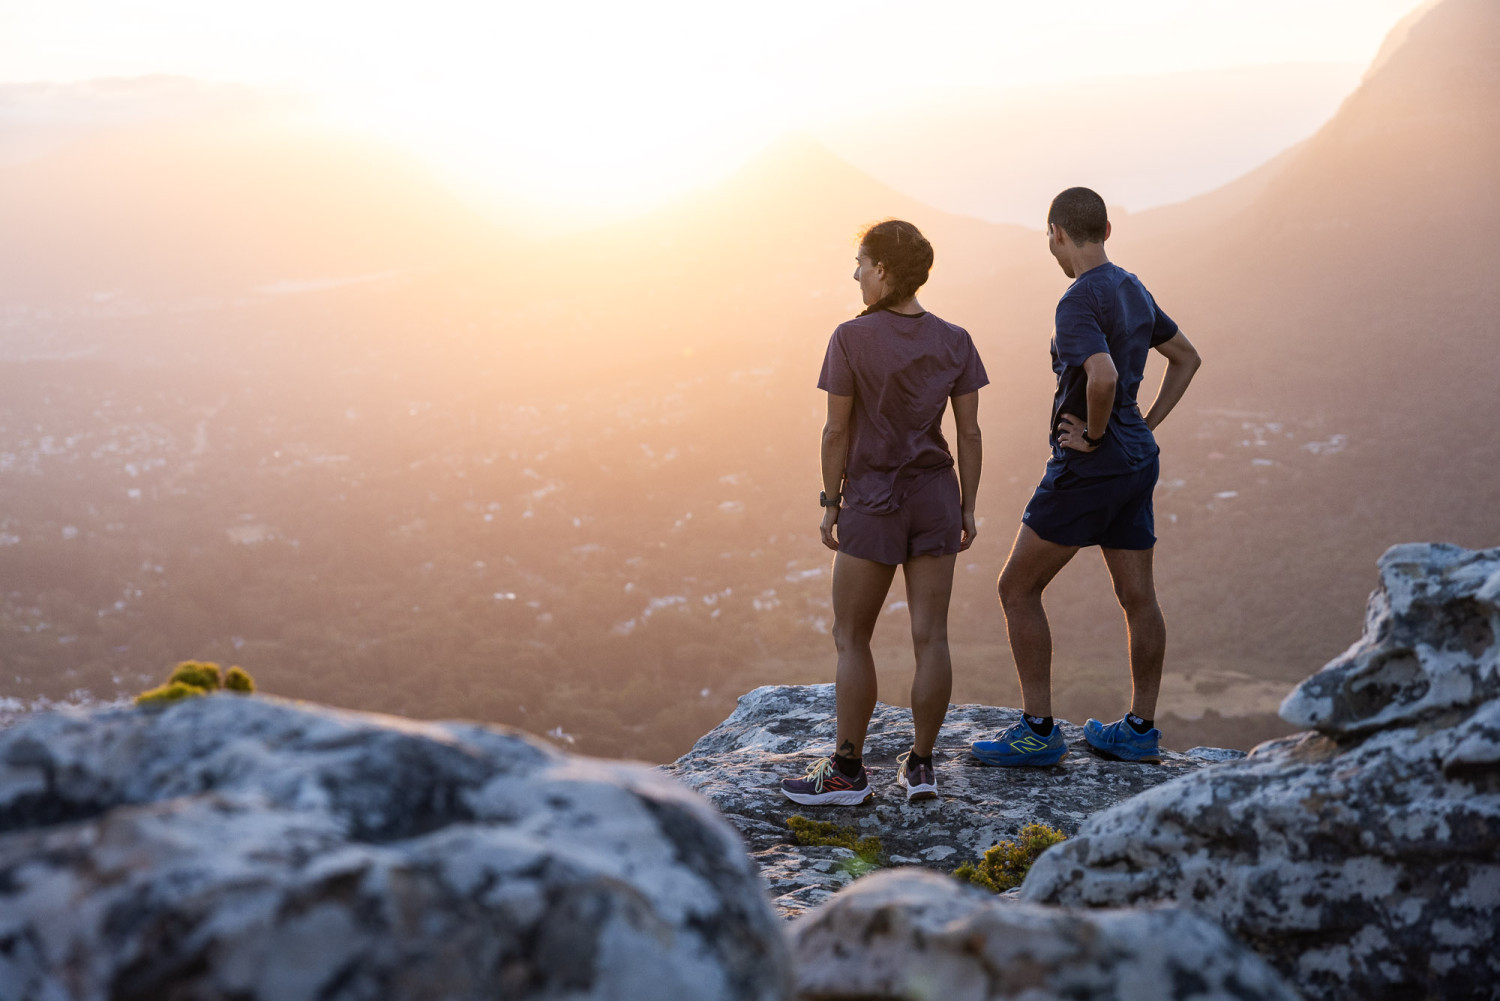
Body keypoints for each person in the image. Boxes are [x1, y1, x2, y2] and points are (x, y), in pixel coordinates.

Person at [972, 187, 1200, 767]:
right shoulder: (1131, 286)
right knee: (1138, 597)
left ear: (1057, 233)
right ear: (1106, 230)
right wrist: (1141, 424)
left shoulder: (1076, 300)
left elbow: (1099, 376)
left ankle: (1038, 732)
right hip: (1136, 460)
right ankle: (1140, 728)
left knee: (1016, 588)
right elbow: (1186, 357)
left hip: (1090, 467)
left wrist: (1096, 434)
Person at [780, 219, 987, 806]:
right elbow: (968, 433)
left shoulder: (850, 338)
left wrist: (829, 503)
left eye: (862, 264)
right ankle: (921, 766)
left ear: (884, 271)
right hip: (937, 496)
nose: (856, 275)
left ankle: (847, 773)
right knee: (931, 637)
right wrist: (968, 505)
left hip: (872, 500)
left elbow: (835, 430)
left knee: (852, 636)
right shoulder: (956, 339)